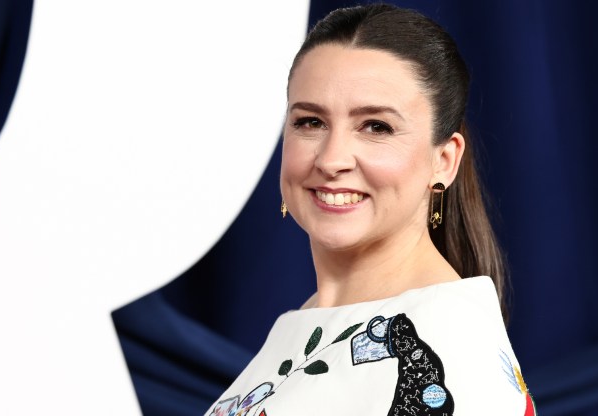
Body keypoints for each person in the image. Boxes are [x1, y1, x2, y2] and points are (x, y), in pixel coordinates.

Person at [206, 4, 534, 415]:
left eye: (376, 126)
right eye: (310, 122)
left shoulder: (448, 339)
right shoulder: (304, 322)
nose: (331, 159)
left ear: (444, 161)